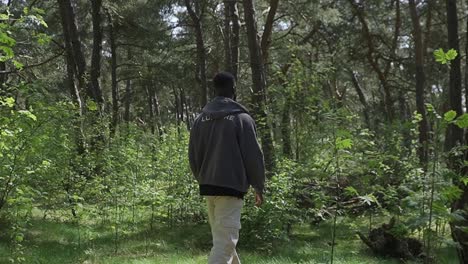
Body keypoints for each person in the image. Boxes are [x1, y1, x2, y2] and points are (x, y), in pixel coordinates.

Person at [188, 72, 266, 264]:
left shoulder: (200, 119)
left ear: (215, 89)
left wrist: (204, 178)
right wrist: (258, 185)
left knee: (223, 242)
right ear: (234, 89)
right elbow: (253, 155)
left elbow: (193, 155)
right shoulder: (242, 119)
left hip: (208, 186)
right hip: (230, 189)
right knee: (225, 245)